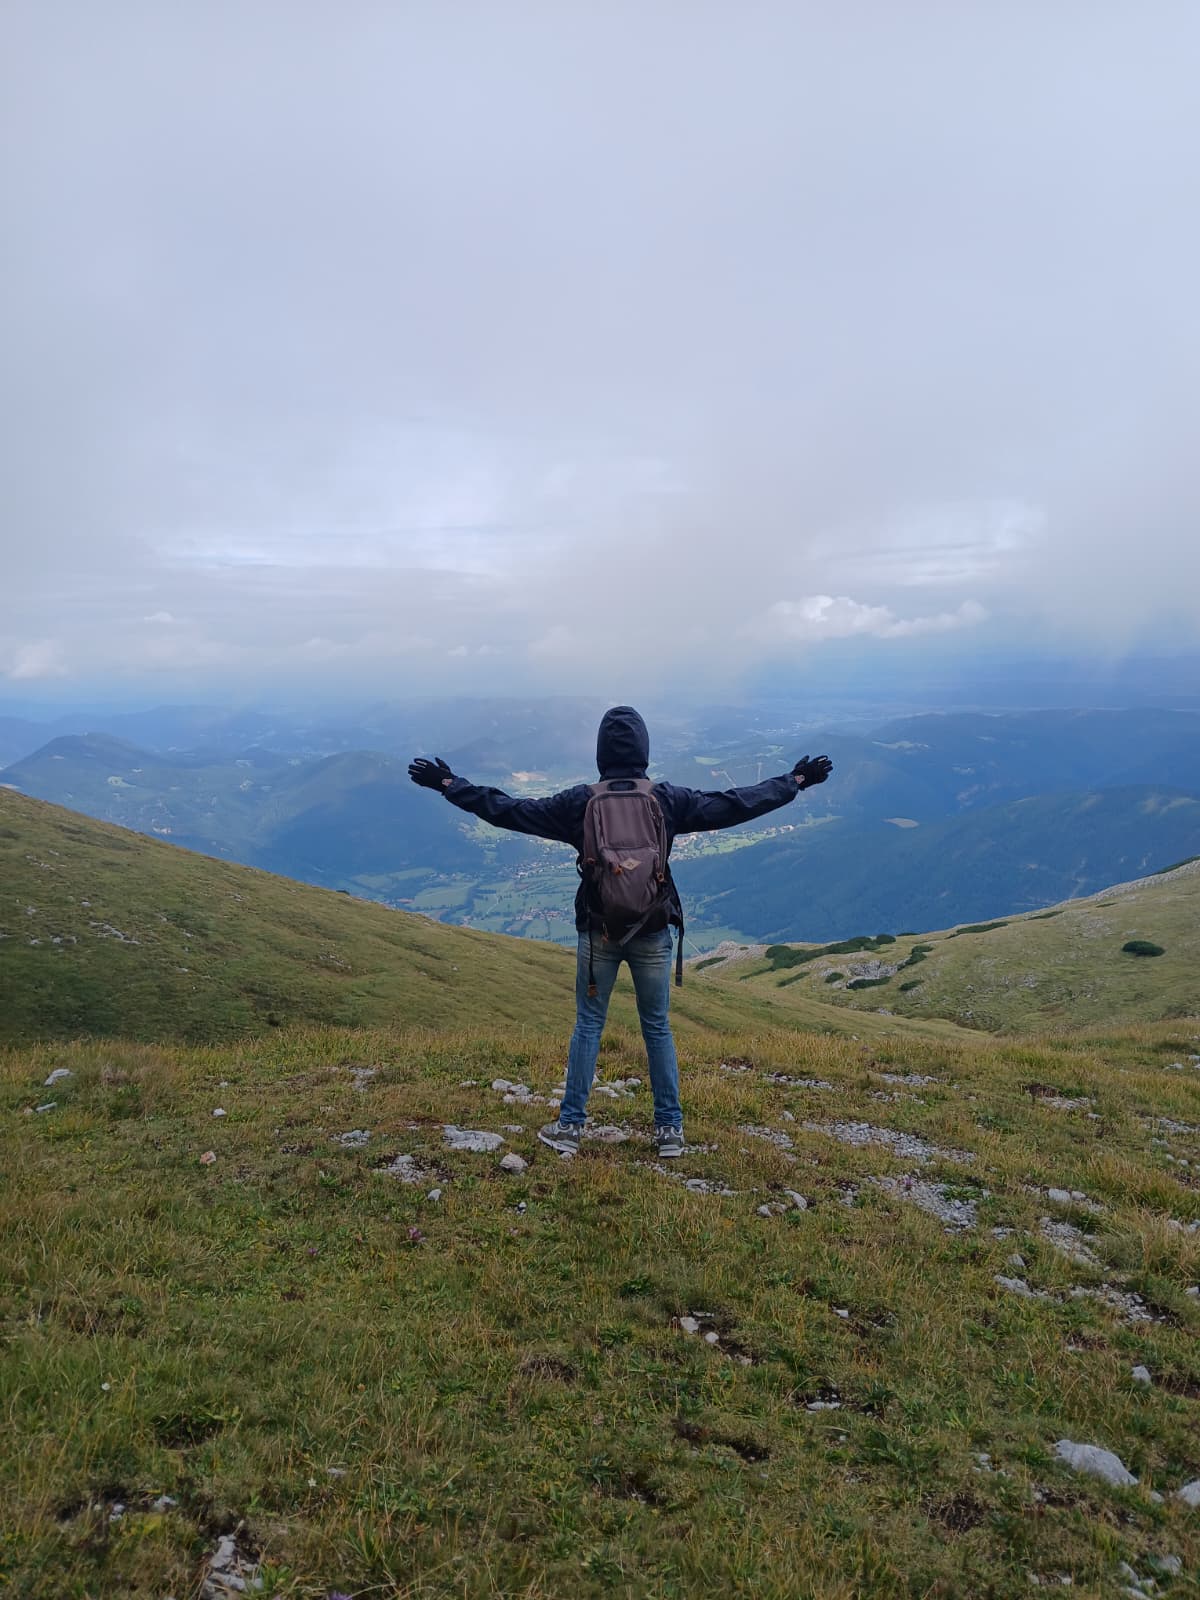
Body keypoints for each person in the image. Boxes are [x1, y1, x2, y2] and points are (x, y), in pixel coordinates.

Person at [409, 706, 832, 1158]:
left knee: (589, 1024)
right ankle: (669, 1131)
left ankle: (570, 1127)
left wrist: (450, 785)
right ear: (644, 750)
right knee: (657, 1028)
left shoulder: (580, 802)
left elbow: (509, 810)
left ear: (600, 753)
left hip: (599, 932)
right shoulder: (667, 799)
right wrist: (795, 781)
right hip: (652, 930)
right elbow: (736, 803)